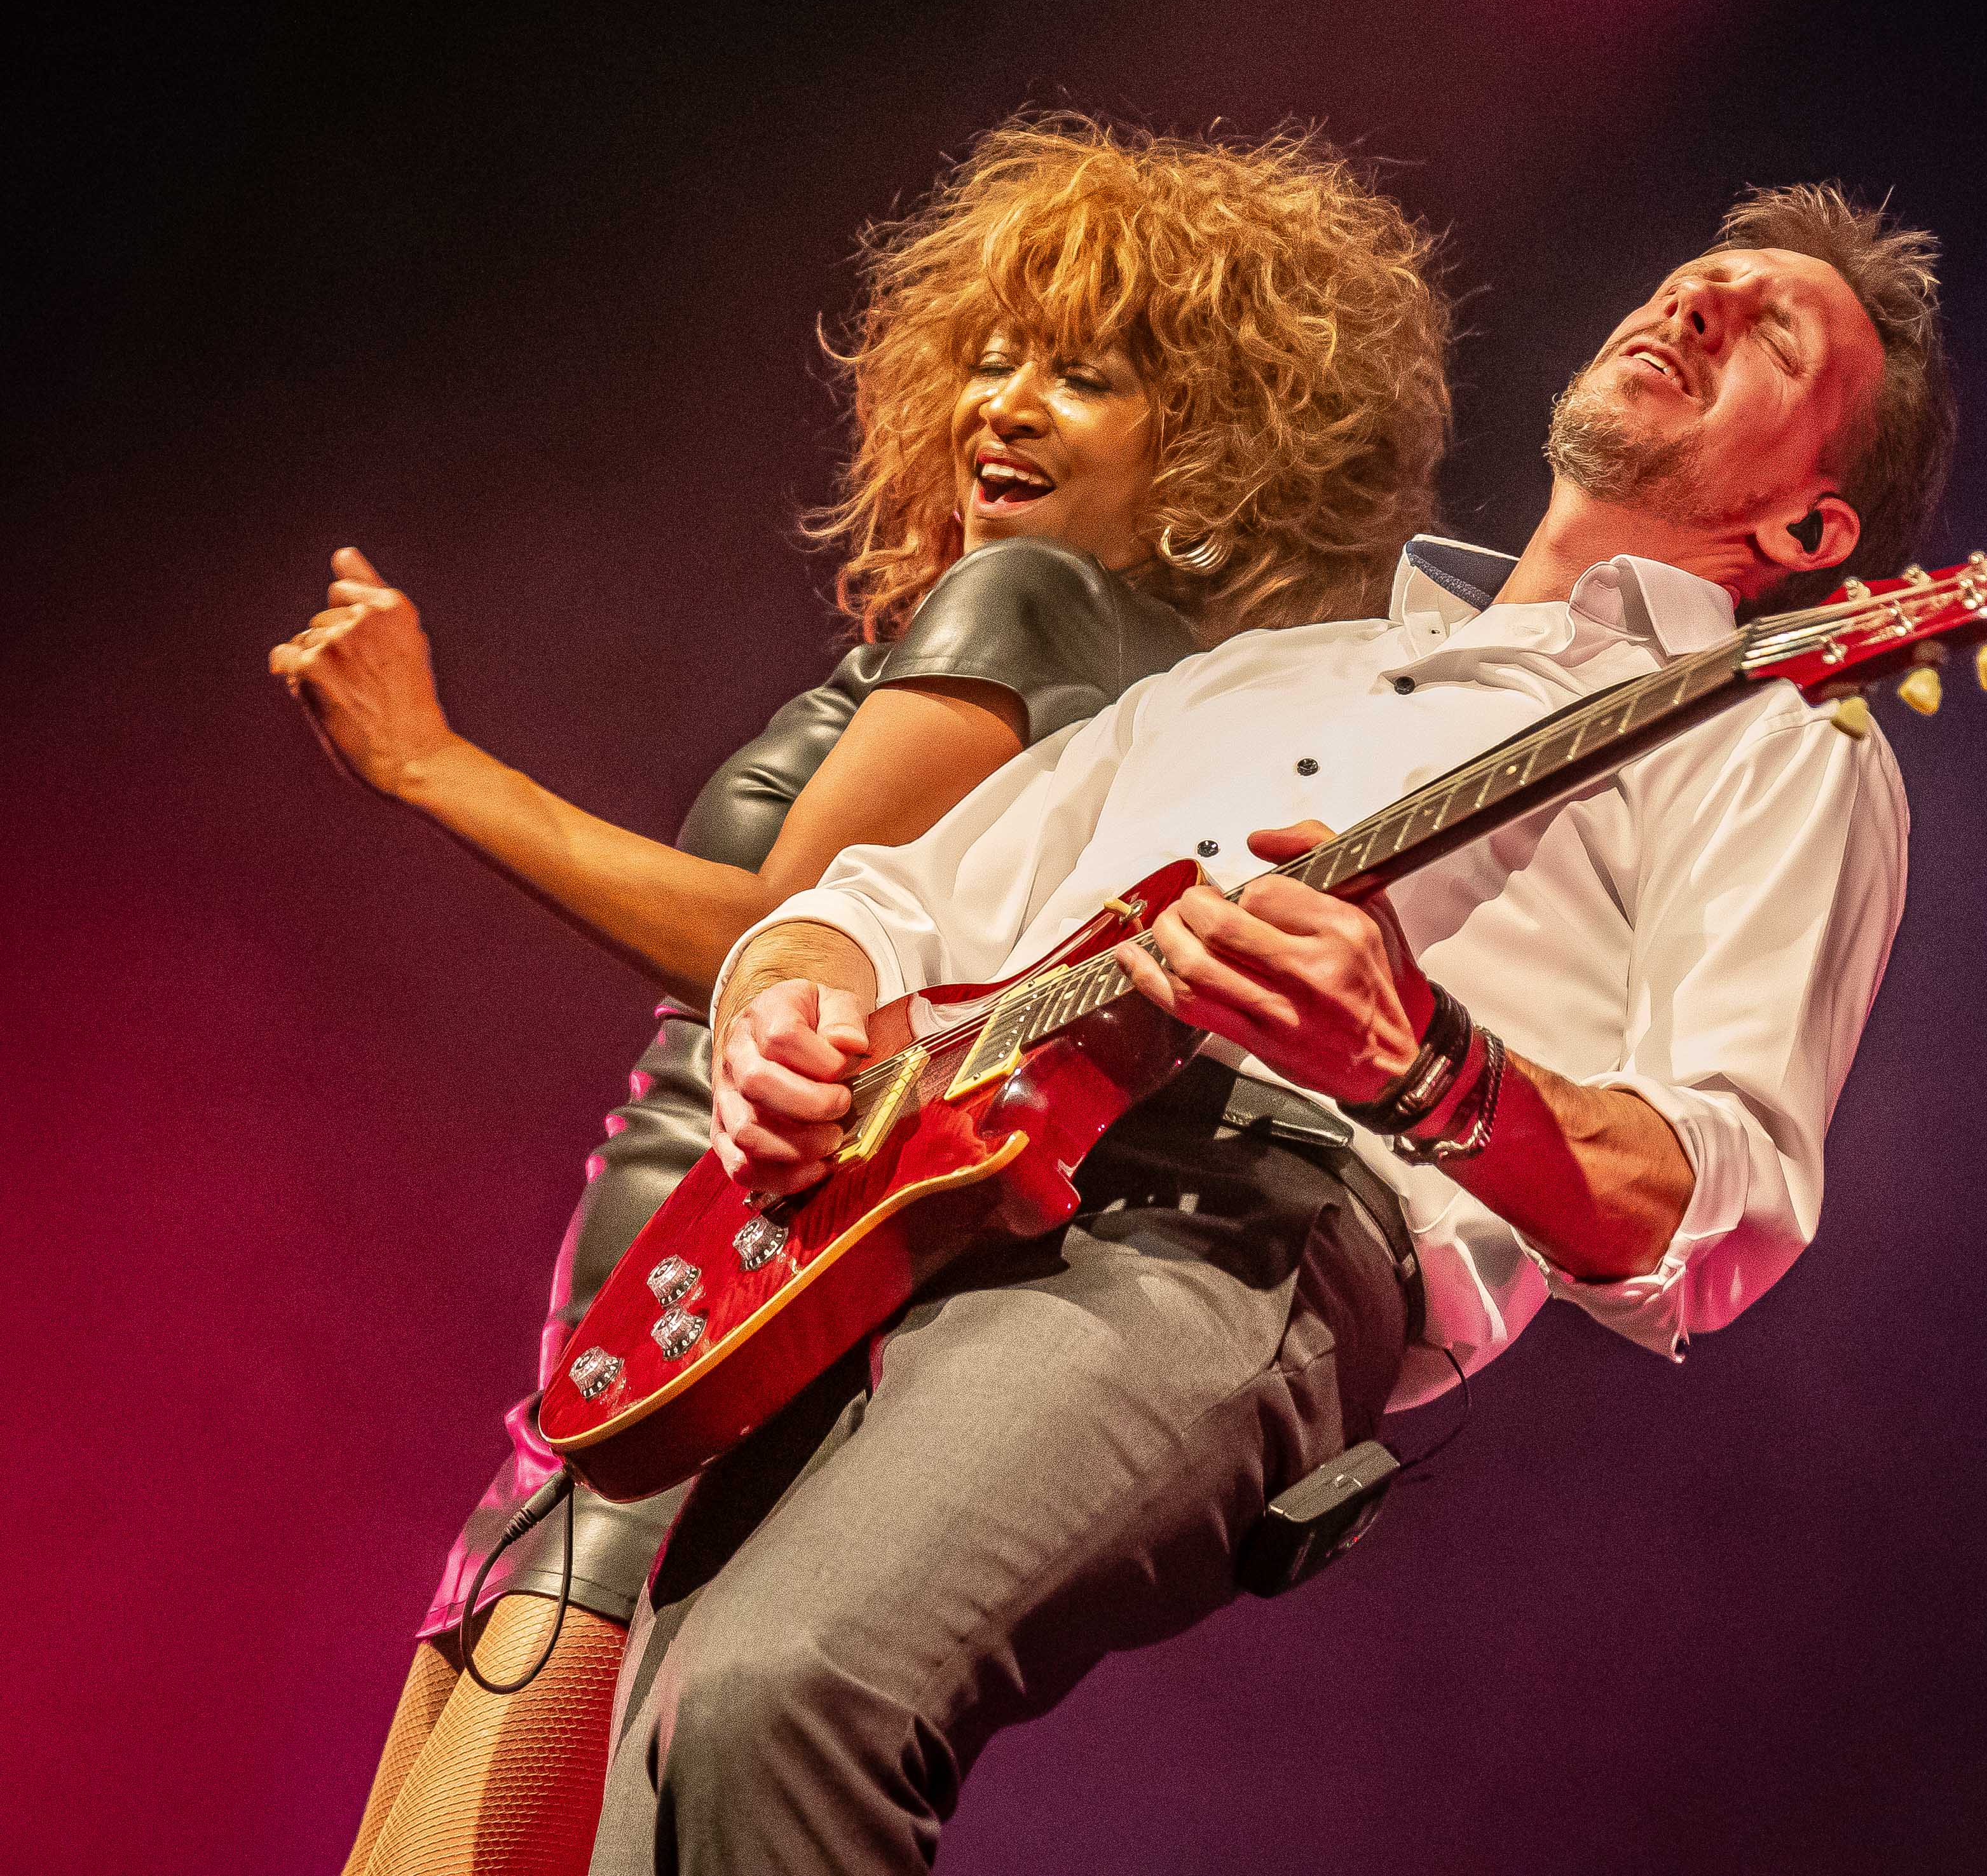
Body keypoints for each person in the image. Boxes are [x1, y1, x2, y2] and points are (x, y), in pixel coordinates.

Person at [597, 182, 1956, 1874]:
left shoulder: (1773, 735)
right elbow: (885, 905)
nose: (1697, 305)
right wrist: (782, 1013)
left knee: (783, 1695)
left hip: (1233, 1230)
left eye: (1770, 333)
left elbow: (1720, 1204)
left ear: (1816, 535)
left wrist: (1421, 1058)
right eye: (1696, 277)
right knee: (648, 1784)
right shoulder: (1260, 672)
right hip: (898, 1200)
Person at [273, 116, 1456, 1876]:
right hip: (682, 1345)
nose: (1004, 405)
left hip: (712, 1345)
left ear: (1218, 450)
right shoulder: (1138, 688)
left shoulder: (1036, 603)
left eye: (1085, 376)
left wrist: (428, 762)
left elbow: (777, 935)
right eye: (991, 357)